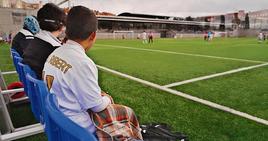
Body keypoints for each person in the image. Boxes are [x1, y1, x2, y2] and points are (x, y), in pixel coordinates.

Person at [43, 6, 143, 141]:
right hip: (78, 129)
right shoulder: (83, 62)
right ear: (93, 35)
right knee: (125, 113)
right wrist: (107, 97)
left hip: (60, 120)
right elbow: (97, 106)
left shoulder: (54, 54)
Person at [23, 3, 66, 79]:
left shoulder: (34, 41)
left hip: (33, 89)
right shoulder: (55, 50)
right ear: (61, 26)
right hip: (45, 89)